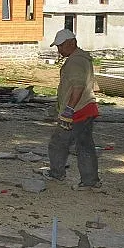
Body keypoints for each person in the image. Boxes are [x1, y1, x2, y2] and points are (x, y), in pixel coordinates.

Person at [44, 29, 102, 190]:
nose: (59, 50)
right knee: (85, 145)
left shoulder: (75, 62)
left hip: (77, 111)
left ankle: (57, 173)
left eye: (61, 46)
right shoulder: (83, 59)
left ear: (71, 43)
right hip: (86, 108)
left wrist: (68, 110)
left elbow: (78, 87)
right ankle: (90, 180)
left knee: (58, 143)